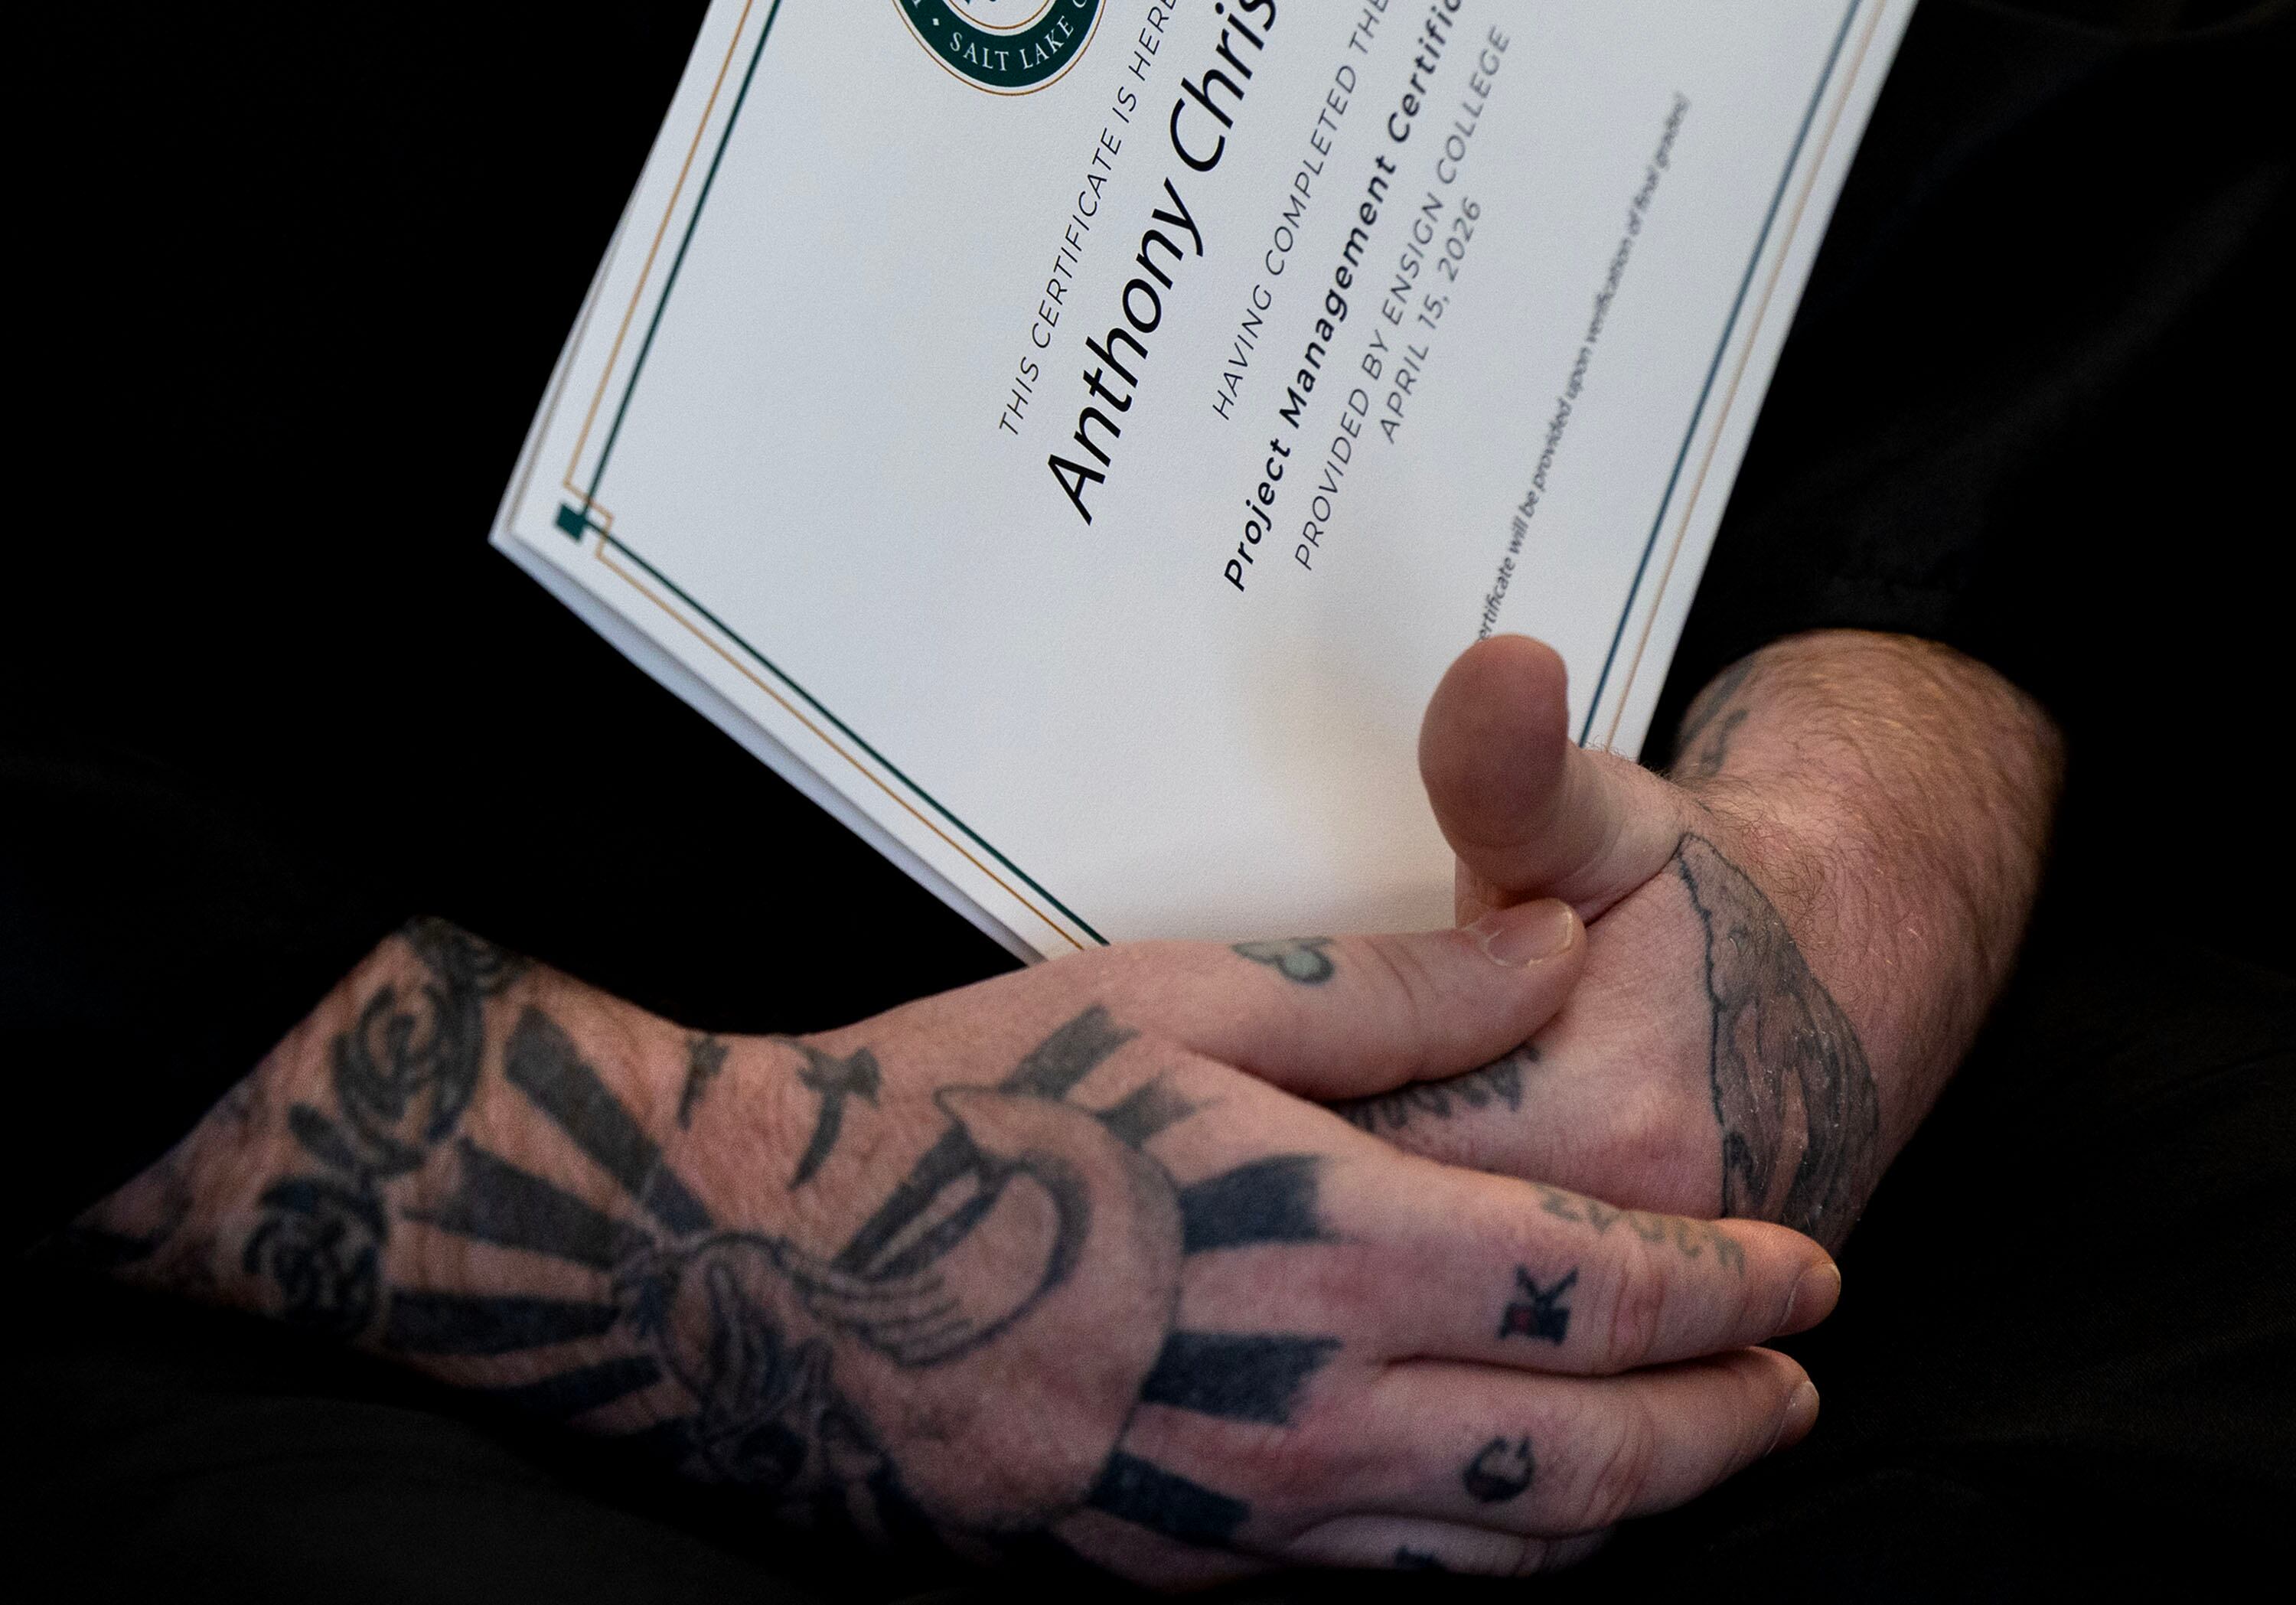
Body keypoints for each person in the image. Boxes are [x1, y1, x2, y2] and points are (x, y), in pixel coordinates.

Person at [10, 0, 2289, 1599]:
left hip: (1680, 871)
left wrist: (1834, 885)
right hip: (382, 1233)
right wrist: (760, 1229)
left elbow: (1993, 168)